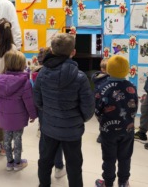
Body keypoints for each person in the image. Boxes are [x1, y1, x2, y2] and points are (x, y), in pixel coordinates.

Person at [34, 33, 95, 187]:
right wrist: (79, 119)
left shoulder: (42, 73)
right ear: (73, 52)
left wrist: (49, 112)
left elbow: (37, 101)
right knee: (74, 165)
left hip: (49, 127)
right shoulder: (80, 77)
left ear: (52, 51)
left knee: (45, 161)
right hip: (72, 130)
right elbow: (88, 108)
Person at [94, 55, 138, 187]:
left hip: (108, 130)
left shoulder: (102, 87)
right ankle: (123, 182)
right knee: (125, 157)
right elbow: (134, 107)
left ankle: (108, 183)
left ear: (108, 69)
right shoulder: (132, 86)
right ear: (126, 70)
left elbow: (97, 109)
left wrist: (101, 121)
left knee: (108, 158)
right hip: (128, 129)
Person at [0, 50, 37, 171]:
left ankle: (9, 162)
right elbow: (29, 101)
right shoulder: (25, 82)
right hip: (19, 117)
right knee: (18, 139)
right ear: (22, 64)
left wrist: (2, 111)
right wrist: (33, 115)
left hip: (4, 116)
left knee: (6, 139)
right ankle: (18, 163)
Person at [32, 47, 67, 179]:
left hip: (43, 110)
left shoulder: (36, 73)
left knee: (44, 137)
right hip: (56, 110)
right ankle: (58, 166)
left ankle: (44, 164)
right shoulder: (56, 72)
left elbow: (35, 96)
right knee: (56, 138)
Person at [0, 18, 17, 154]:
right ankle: (7, 144)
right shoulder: (13, 48)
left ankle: (1, 144)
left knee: (1, 113)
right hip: (10, 85)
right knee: (10, 115)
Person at [91, 58, 110, 143]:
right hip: (103, 102)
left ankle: (103, 133)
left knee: (101, 118)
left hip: (97, 102)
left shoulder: (97, 77)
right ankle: (103, 134)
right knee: (104, 119)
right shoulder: (108, 78)